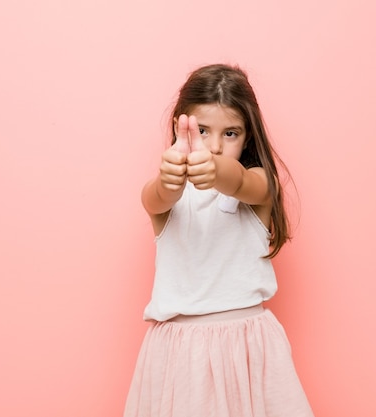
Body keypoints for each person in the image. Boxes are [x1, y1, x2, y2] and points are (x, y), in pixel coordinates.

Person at [124, 64, 314, 417]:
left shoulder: (259, 184)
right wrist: (169, 179)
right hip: (180, 355)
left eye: (230, 133)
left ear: (248, 137)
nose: (213, 145)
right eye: (202, 130)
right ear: (180, 127)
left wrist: (216, 171)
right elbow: (155, 197)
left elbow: (240, 181)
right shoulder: (168, 198)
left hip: (247, 348)